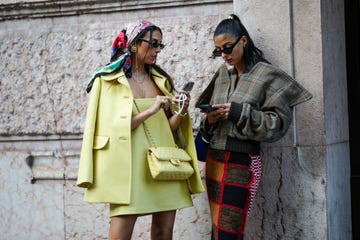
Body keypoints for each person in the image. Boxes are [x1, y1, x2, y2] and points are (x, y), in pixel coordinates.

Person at [77, 20, 204, 240]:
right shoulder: (108, 81)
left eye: (160, 46)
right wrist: (152, 109)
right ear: (134, 44)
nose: (157, 50)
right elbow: (113, 129)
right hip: (129, 168)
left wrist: (181, 111)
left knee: (164, 232)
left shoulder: (161, 80)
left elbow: (169, 130)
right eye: (153, 44)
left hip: (164, 164)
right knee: (120, 235)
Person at [195, 14, 312, 240]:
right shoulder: (222, 74)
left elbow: (276, 124)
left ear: (244, 41)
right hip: (215, 161)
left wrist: (238, 112)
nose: (224, 55)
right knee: (218, 233)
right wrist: (210, 120)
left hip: (242, 162)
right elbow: (205, 116)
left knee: (230, 233)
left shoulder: (266, 74)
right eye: (219, 51)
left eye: (228, 48)